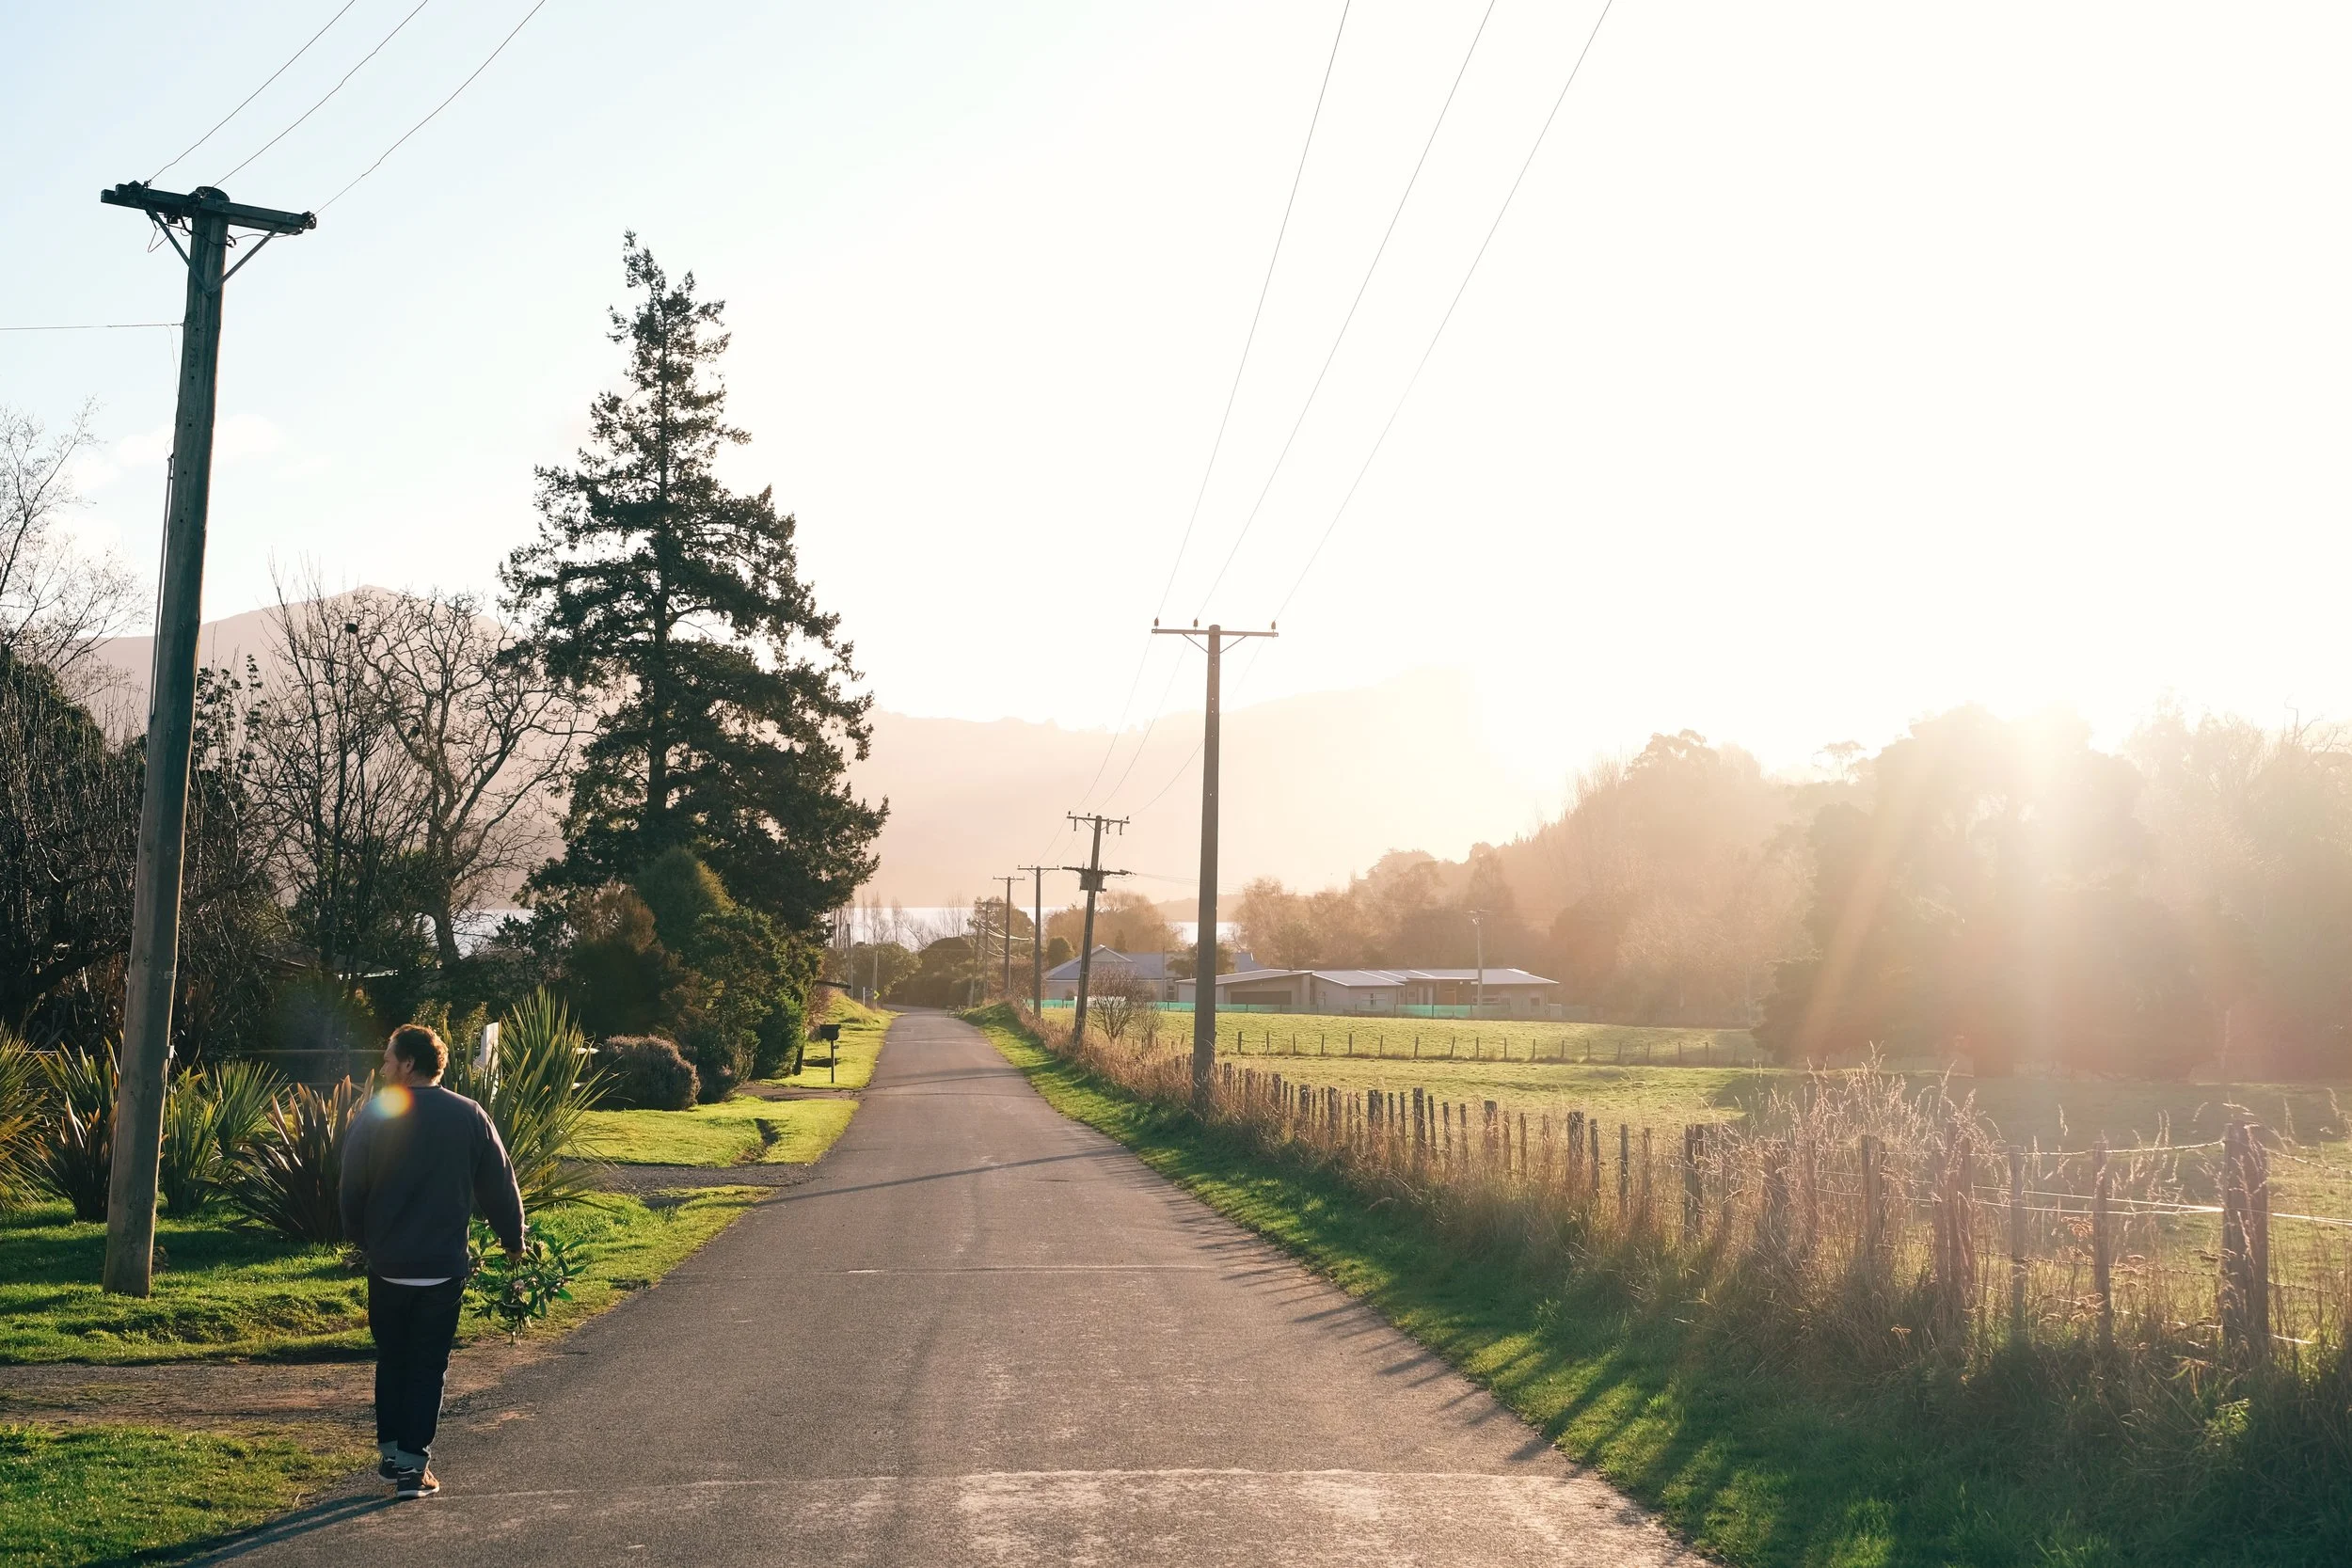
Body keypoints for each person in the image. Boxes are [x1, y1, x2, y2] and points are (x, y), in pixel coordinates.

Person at [339, 1023, 526, 1500]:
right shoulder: (469, 1115)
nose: (382, 1068)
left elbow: (350, 1187)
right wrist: (513, 1240)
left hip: (387, 1265)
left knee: (393, 1359)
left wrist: (361, 1238)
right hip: (442, 1267)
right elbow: (499, 1185)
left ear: (407, 1064)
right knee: (427, 1366)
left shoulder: (376, 1114)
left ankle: (392, 1455)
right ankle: (412, 1467)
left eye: (387, 1059)